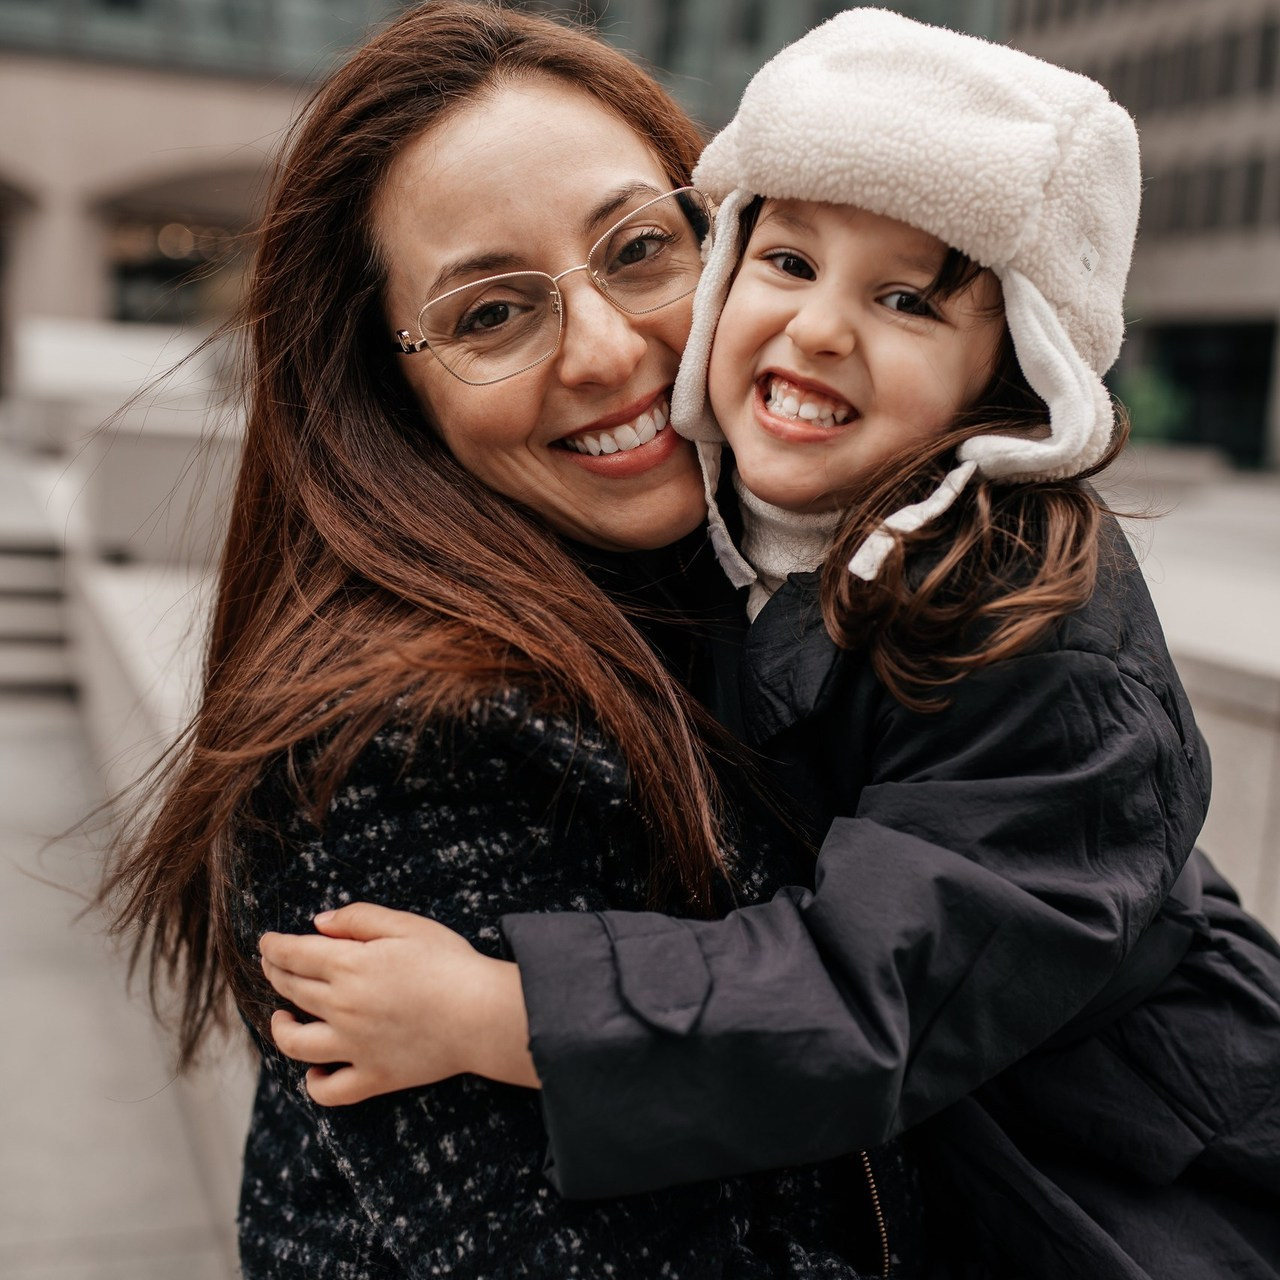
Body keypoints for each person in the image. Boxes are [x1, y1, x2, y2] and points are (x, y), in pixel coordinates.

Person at [259, 11, 1280, 1280]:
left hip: (1115, 1179)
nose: (814, 332)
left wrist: (508, 1009)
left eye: (639, 248)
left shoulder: (1016, 617)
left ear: (1015, 377)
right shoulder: (436, 715)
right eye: (788, 262)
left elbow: (881, 985)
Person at [96, 4, 923, 1277]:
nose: (606, 351)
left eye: (640, 249)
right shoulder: (406, 742)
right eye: (490, 316)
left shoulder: (795, 574)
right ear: (390, 394)